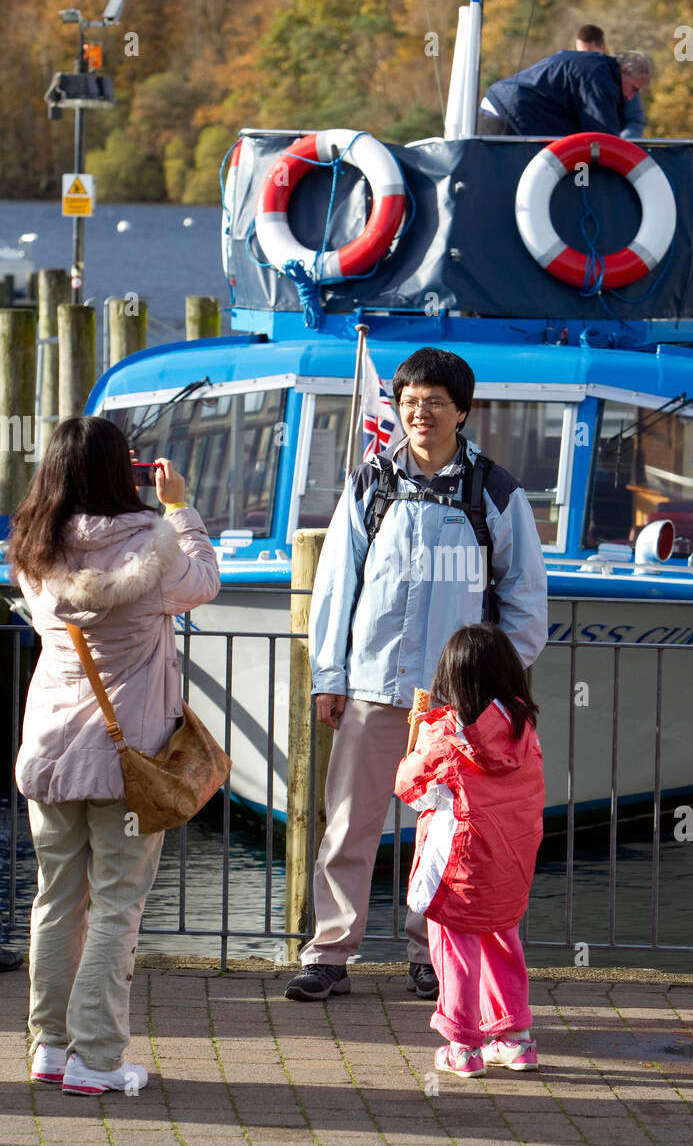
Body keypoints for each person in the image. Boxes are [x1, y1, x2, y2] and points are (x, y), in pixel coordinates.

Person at [285, 347, 548, 1002]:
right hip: (373, 687)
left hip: (455, 705)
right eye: (408, 402)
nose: (419, 412)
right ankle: (328, 954)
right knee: (349, 824)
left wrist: (493, 687)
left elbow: (524, 593)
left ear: (462, 409)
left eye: (433, 401)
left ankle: (432, 950)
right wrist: (330, 675)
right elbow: (335, 586)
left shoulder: (495, 490)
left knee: (447, 832)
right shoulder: (370, 483)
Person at [9, 417, 220, 1094]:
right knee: (117, 905)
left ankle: (49, 1046)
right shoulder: (153, 548)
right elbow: (207, 580)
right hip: (129, 758)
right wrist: (180, 507)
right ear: (118, 472)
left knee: (56, 900)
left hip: (49, 749)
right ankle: (97, 1059)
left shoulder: (32, 550)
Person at [394, 624, 545, 1077]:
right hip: (510, 859)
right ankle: (515, 1040)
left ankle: (463, 1045)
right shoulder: (523, 727)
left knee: (455, 948)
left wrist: (419, 739)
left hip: (460, 862)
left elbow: (408, 784)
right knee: (503, 940)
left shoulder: (446, 733)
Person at [478, 38, 650, 138]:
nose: (630, 97)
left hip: (501, 106)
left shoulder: (595, 66)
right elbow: (602, 135)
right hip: (510, 115)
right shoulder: (600, 78)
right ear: (624, 70)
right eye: (633, 89)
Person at [575, 24, 646, 140]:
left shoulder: (623, 79)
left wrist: (618, 146)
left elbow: (635, 120)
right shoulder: (574, 79)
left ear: (603, 47)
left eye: (590, 55)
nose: (585, 60)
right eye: (580, 54)